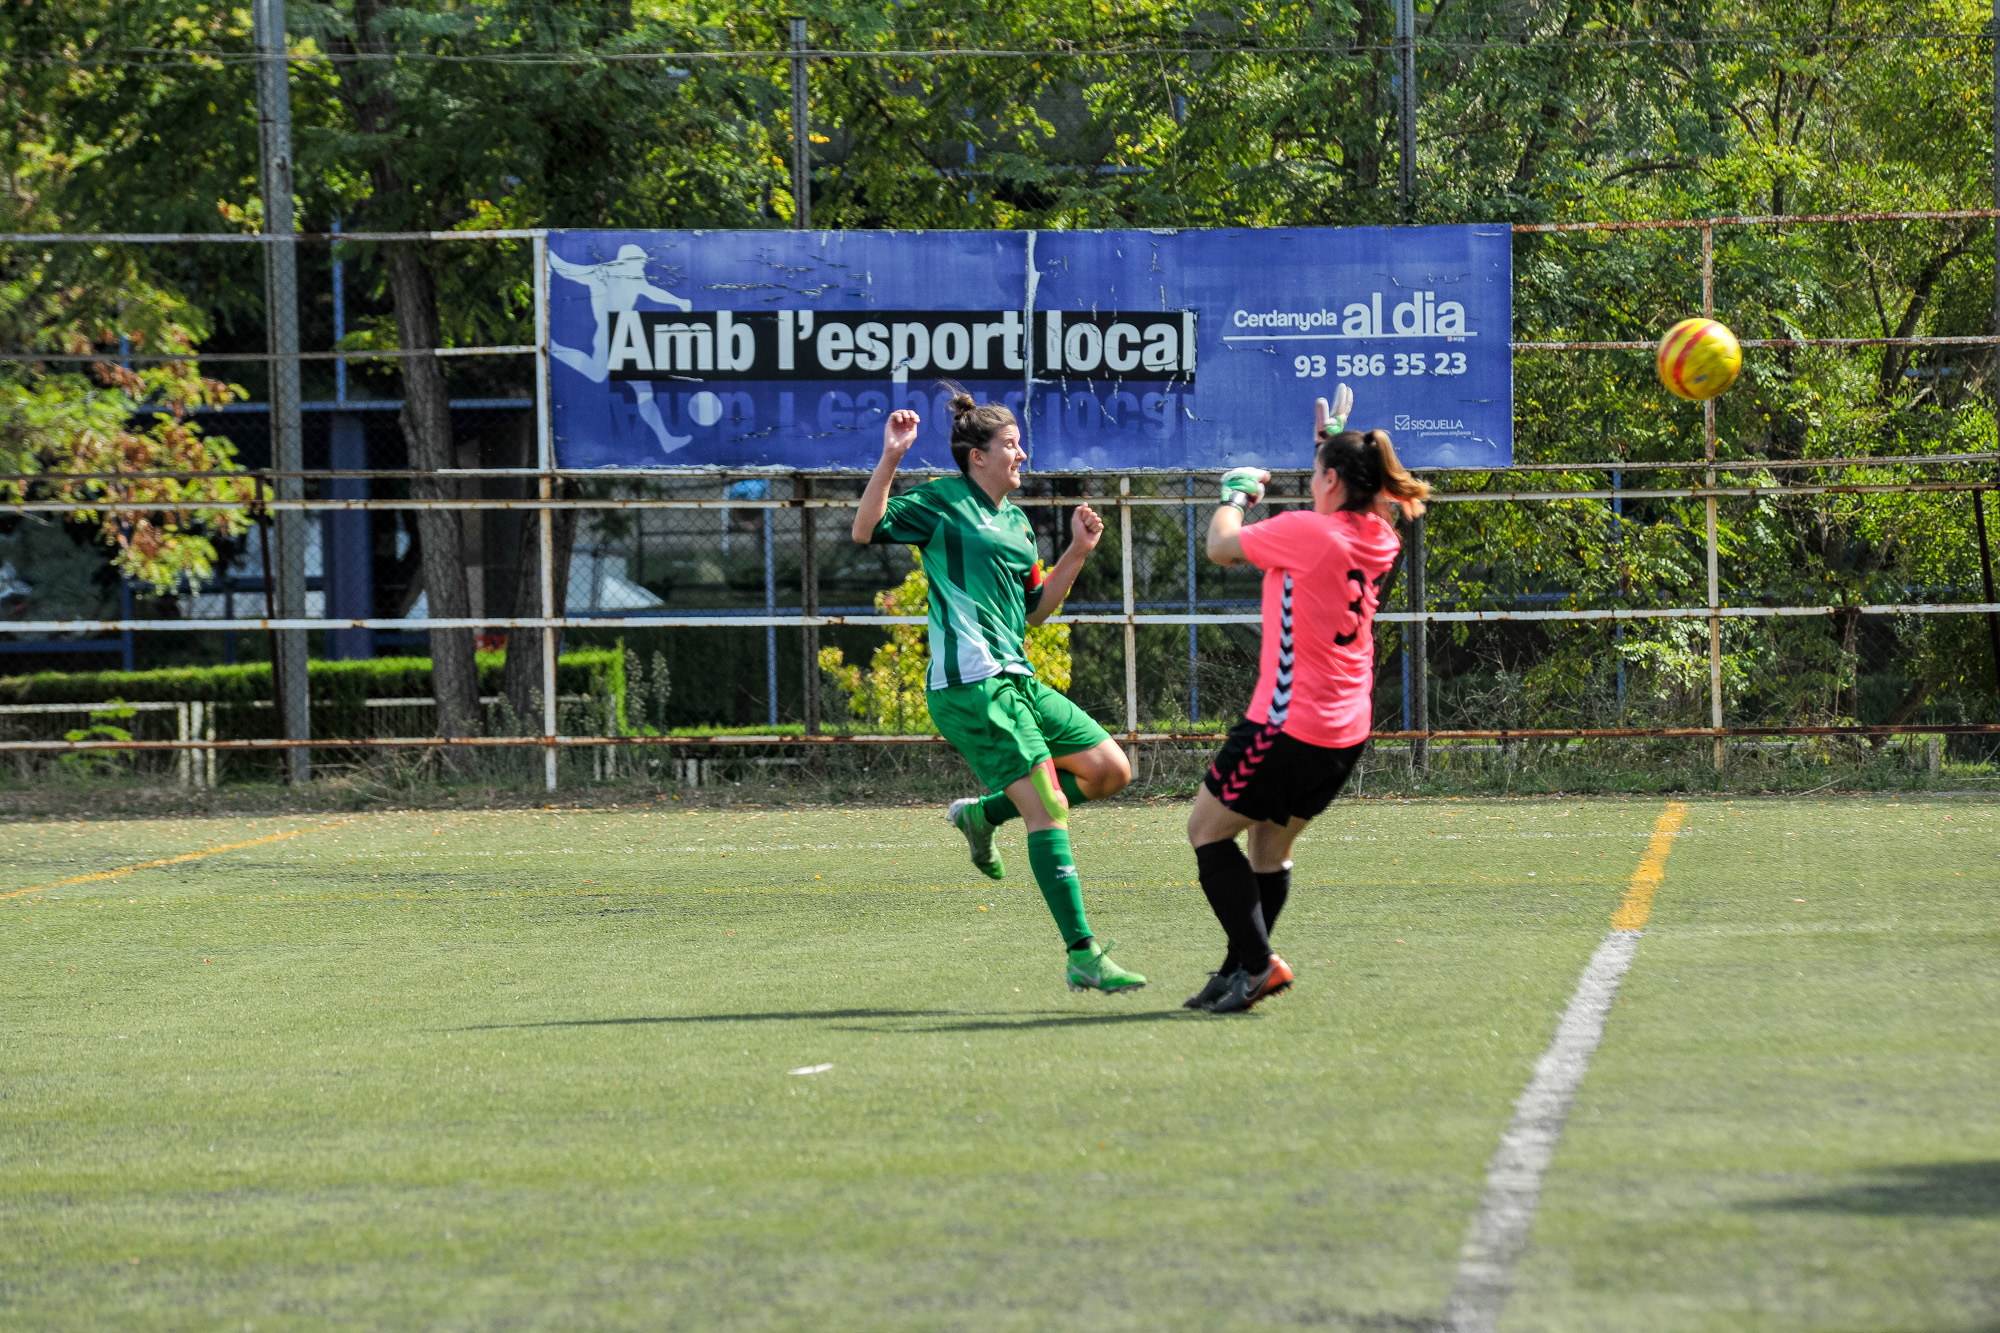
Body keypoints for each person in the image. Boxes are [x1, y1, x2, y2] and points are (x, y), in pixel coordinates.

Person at [850, 390, 1145, 993]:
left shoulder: (1016, 522)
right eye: (1010, 445)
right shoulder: (941, 501)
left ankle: (983, 817)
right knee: (1050, 806)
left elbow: (1035, 612)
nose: (1021, 454)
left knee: (1112, 771)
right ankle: (1083, 955)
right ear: (976, 456)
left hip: (1018, 680)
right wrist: (892, 458)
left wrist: (1078, 553)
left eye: (1018, 443)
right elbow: (865, 529)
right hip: (972, 686)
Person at [1184, 388, 1431, 1014]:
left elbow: (1220, 545)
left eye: (1318, 472)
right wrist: (1332, 449)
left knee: (1208, 834)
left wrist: (1234, 497)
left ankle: (1261, 963)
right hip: (1344, 732)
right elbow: (1346, 508)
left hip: (1284, 725)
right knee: (1269, 847)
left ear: (1329, 481)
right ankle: (1239, 970)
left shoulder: (1307, 532)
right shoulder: (1380, 536)